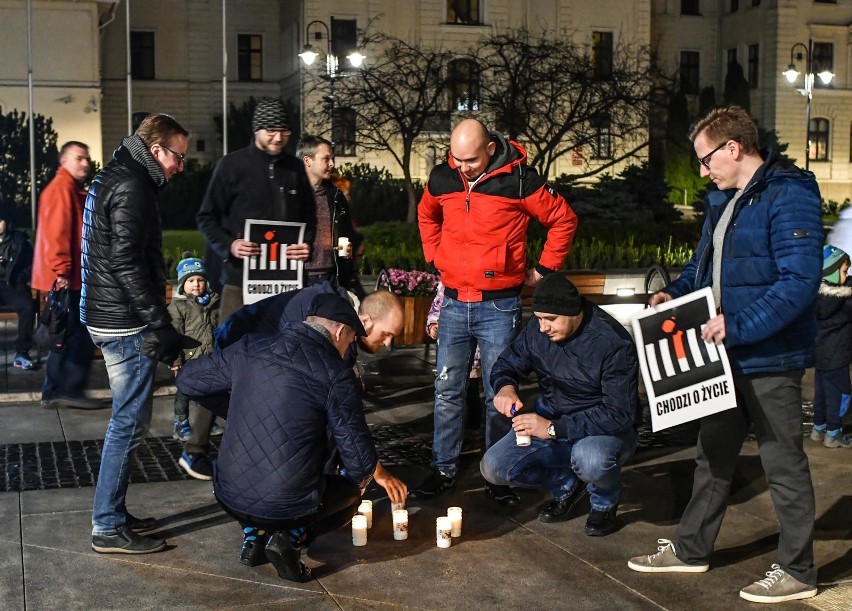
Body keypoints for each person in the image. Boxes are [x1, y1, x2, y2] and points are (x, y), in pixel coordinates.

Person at [627, 106, 822, 605]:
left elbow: (799, 283)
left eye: (706, 158)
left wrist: (739, 325)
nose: (702, 169)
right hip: (726, 356)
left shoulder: (790, 193)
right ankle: (692, 549)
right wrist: (673, 293)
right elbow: (703, 268)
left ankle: (798, 569)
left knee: (784, 464)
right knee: (712, 456)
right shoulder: (725, 201)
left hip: (770, 359)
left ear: (733, 148)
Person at [413, 118, 578, 505]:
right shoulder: (443, 177)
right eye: (456, 158)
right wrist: (435, 254)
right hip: (454, 300)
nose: (462, 167)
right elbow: (426, 215)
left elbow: (563, 219)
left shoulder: (520, 180)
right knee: (447, 389)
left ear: (490, 148)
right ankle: (443, 469)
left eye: (469, 159)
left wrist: (545, 270)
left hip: (499, 304)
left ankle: (496, 473)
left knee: (498, 394)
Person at [176, 293, 395, 581]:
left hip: (228, 494)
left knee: (264, 482)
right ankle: (290, 538)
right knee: (351, 494)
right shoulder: (336, 375)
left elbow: (188, 380)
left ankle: (254, 540)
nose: (347, 349)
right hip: (286, 503)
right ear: (340, 331)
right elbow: (360, 460)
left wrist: (240, 409)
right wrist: (362, 481)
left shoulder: (250, 347)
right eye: (350, 340)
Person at [189, 98, 316, 478]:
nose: (278, 138)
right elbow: (205, 216)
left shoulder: (294, 168)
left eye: (284, 132)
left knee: (280, 360)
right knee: (227, 358)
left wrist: (304, 243)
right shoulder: (232, 166)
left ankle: (260, 442)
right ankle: (195, 444)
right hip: (241, 281)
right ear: (256, 131)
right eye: (270, 131)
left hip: (284, 281)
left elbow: (309, 219)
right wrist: (229, 243)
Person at [82, 113, 188, 554]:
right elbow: (126, 262)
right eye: (178, 157)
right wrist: (159, 323)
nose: (181, 166)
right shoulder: (131, 186)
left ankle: (113, 512)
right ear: (158, 149)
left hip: (106, 312)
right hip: (124, 321)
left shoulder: (115, 174)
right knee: (128, 422)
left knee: (128, 421)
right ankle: (106, 525)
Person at [479, 274, 640, 536]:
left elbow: (620, 413)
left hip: (601, 430)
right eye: (539, 318)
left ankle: (603, 503)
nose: (543, 327)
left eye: (550, 319)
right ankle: (567, 486)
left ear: (574, 313)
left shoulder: (612, 343)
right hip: (552, 414)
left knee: (590, 459)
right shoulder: (537, 330)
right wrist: (505, 387)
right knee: (494, 467)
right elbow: (508, 363)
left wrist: (554, 429)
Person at [32, 141, 101, 407]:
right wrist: (61, 271)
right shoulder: (61, 190)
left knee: (65, 334)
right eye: (79, 158)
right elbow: (56, 235)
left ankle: (55, 390)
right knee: (76, 334)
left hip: (66, 277)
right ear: (64, 161)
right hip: (67, 279)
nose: (85, 163)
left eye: (86, 158)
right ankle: (66, 389)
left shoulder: (67, 189)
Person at [298, 134, 364, 296]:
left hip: (332, 277)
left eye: (332, 159)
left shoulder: (336, 196)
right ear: (307, 161)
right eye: (326, 159)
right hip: (300, 278)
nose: (332, 164)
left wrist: (345, 262)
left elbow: (345, 234)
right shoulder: (291, 195)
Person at [167, 254, 221, 445]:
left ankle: (204, 421)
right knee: (184, 392)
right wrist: (175, 360)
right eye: (190, 280)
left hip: (209, 356)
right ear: (183, 284)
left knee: (208, 391)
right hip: (188, 358)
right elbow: (173, 334)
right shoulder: (179, 306)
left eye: (200, 280)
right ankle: (180, 423)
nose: (196, 284)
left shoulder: (214, 302)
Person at [426, 281, 485, 452]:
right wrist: (433, 325)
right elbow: (436, 307)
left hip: (474, 357)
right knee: (449, 394)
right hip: (451, 351)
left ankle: (472, 434)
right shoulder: (447, 284)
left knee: (471, 395)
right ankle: (449, 441)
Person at [811, 245, 852, 448]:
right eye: (844, 271)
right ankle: (833, 433)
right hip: (838, 356)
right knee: (841, 392)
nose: (847, 276)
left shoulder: (815, 296)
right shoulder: (844, 300)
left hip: (820, 355)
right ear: (832, 272)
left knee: (822, 392)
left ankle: (818, 428)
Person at [0, 199, 35, 371]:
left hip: (11, 284)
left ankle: (22, 352)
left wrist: (20, 276)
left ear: (6, 222)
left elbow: (32, 264)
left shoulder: (19, 240)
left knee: (28, 306)